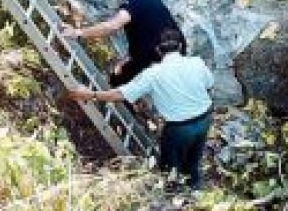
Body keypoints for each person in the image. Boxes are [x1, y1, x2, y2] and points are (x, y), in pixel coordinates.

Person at [68, 29, 214, 188]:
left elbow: (121, 94)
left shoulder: (153, 74)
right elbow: (209, 85)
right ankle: (196, 191)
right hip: (204, 119)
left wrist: (90, 95)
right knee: (193, 161)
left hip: (179, 128)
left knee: (171, 169)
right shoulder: (196, 62)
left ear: (158, 50)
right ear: (180, 46)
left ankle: (176, 196)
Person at [60, 0, 182, 87]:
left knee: (118, 81)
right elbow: (151, 28)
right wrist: (129, 57)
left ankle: (112, 100)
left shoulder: (133, 2)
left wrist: (77, 33)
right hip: (175, 49)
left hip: (158, 56)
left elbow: (112, 26)